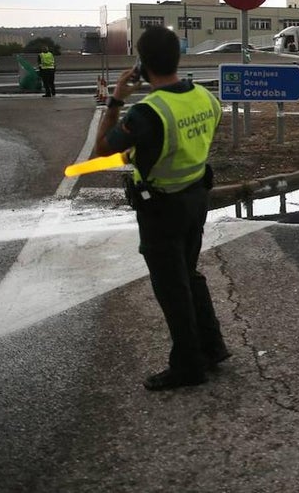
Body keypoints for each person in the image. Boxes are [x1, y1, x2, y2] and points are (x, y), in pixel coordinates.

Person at [94, 25, 229, 390]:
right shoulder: (205, 97)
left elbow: (102, 149)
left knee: (172, 287)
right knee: (189, 273)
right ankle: (212, 346)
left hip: (162, 208)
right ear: (177, 57)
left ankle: (188, 366)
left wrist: (116, 99)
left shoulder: (147, 112)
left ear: (142, 63)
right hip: (197, 198)